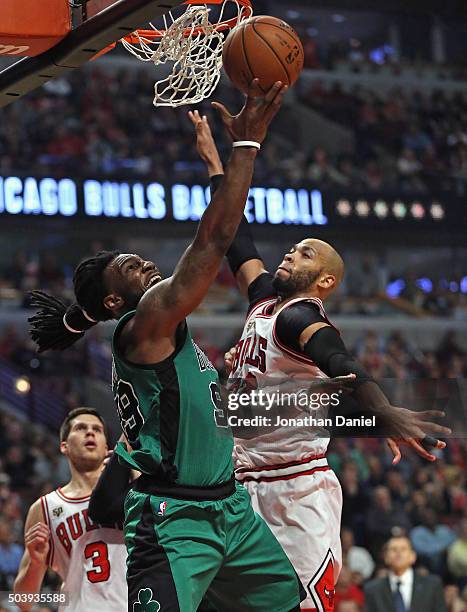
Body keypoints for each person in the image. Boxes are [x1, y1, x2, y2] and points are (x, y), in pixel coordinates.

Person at [28, 82, 306, 612]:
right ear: (115, 299)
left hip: (231, 509)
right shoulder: (142, 326)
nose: (146, 264)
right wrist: (244, 147)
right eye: (132, 267)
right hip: (173, 518)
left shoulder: (164, 329)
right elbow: (213, 241)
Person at [190, 112, 450, 612]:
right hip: (240, 484)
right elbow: (234, 238)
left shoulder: (300, 318)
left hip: (295, 490)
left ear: (325, 280)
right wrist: (216, 166)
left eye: (305, 254)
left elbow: (342, 363)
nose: (290, 254)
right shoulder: (265, 300)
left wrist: (387, 413)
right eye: (292, 248)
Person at [13, 408, 128, 612]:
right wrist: (36, 563)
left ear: (106, 447)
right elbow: (23, 601)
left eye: (97, 429)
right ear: (64, 446)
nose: (90, 433)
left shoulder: (130, 489)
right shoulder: (44, 508)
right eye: (81, 428)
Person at [364, 535, 447, 612]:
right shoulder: (373, 590)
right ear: (386, 557)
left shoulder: (432, 585)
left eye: (403, 549)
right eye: (393, 549)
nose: (398, 553)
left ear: (413, 556)